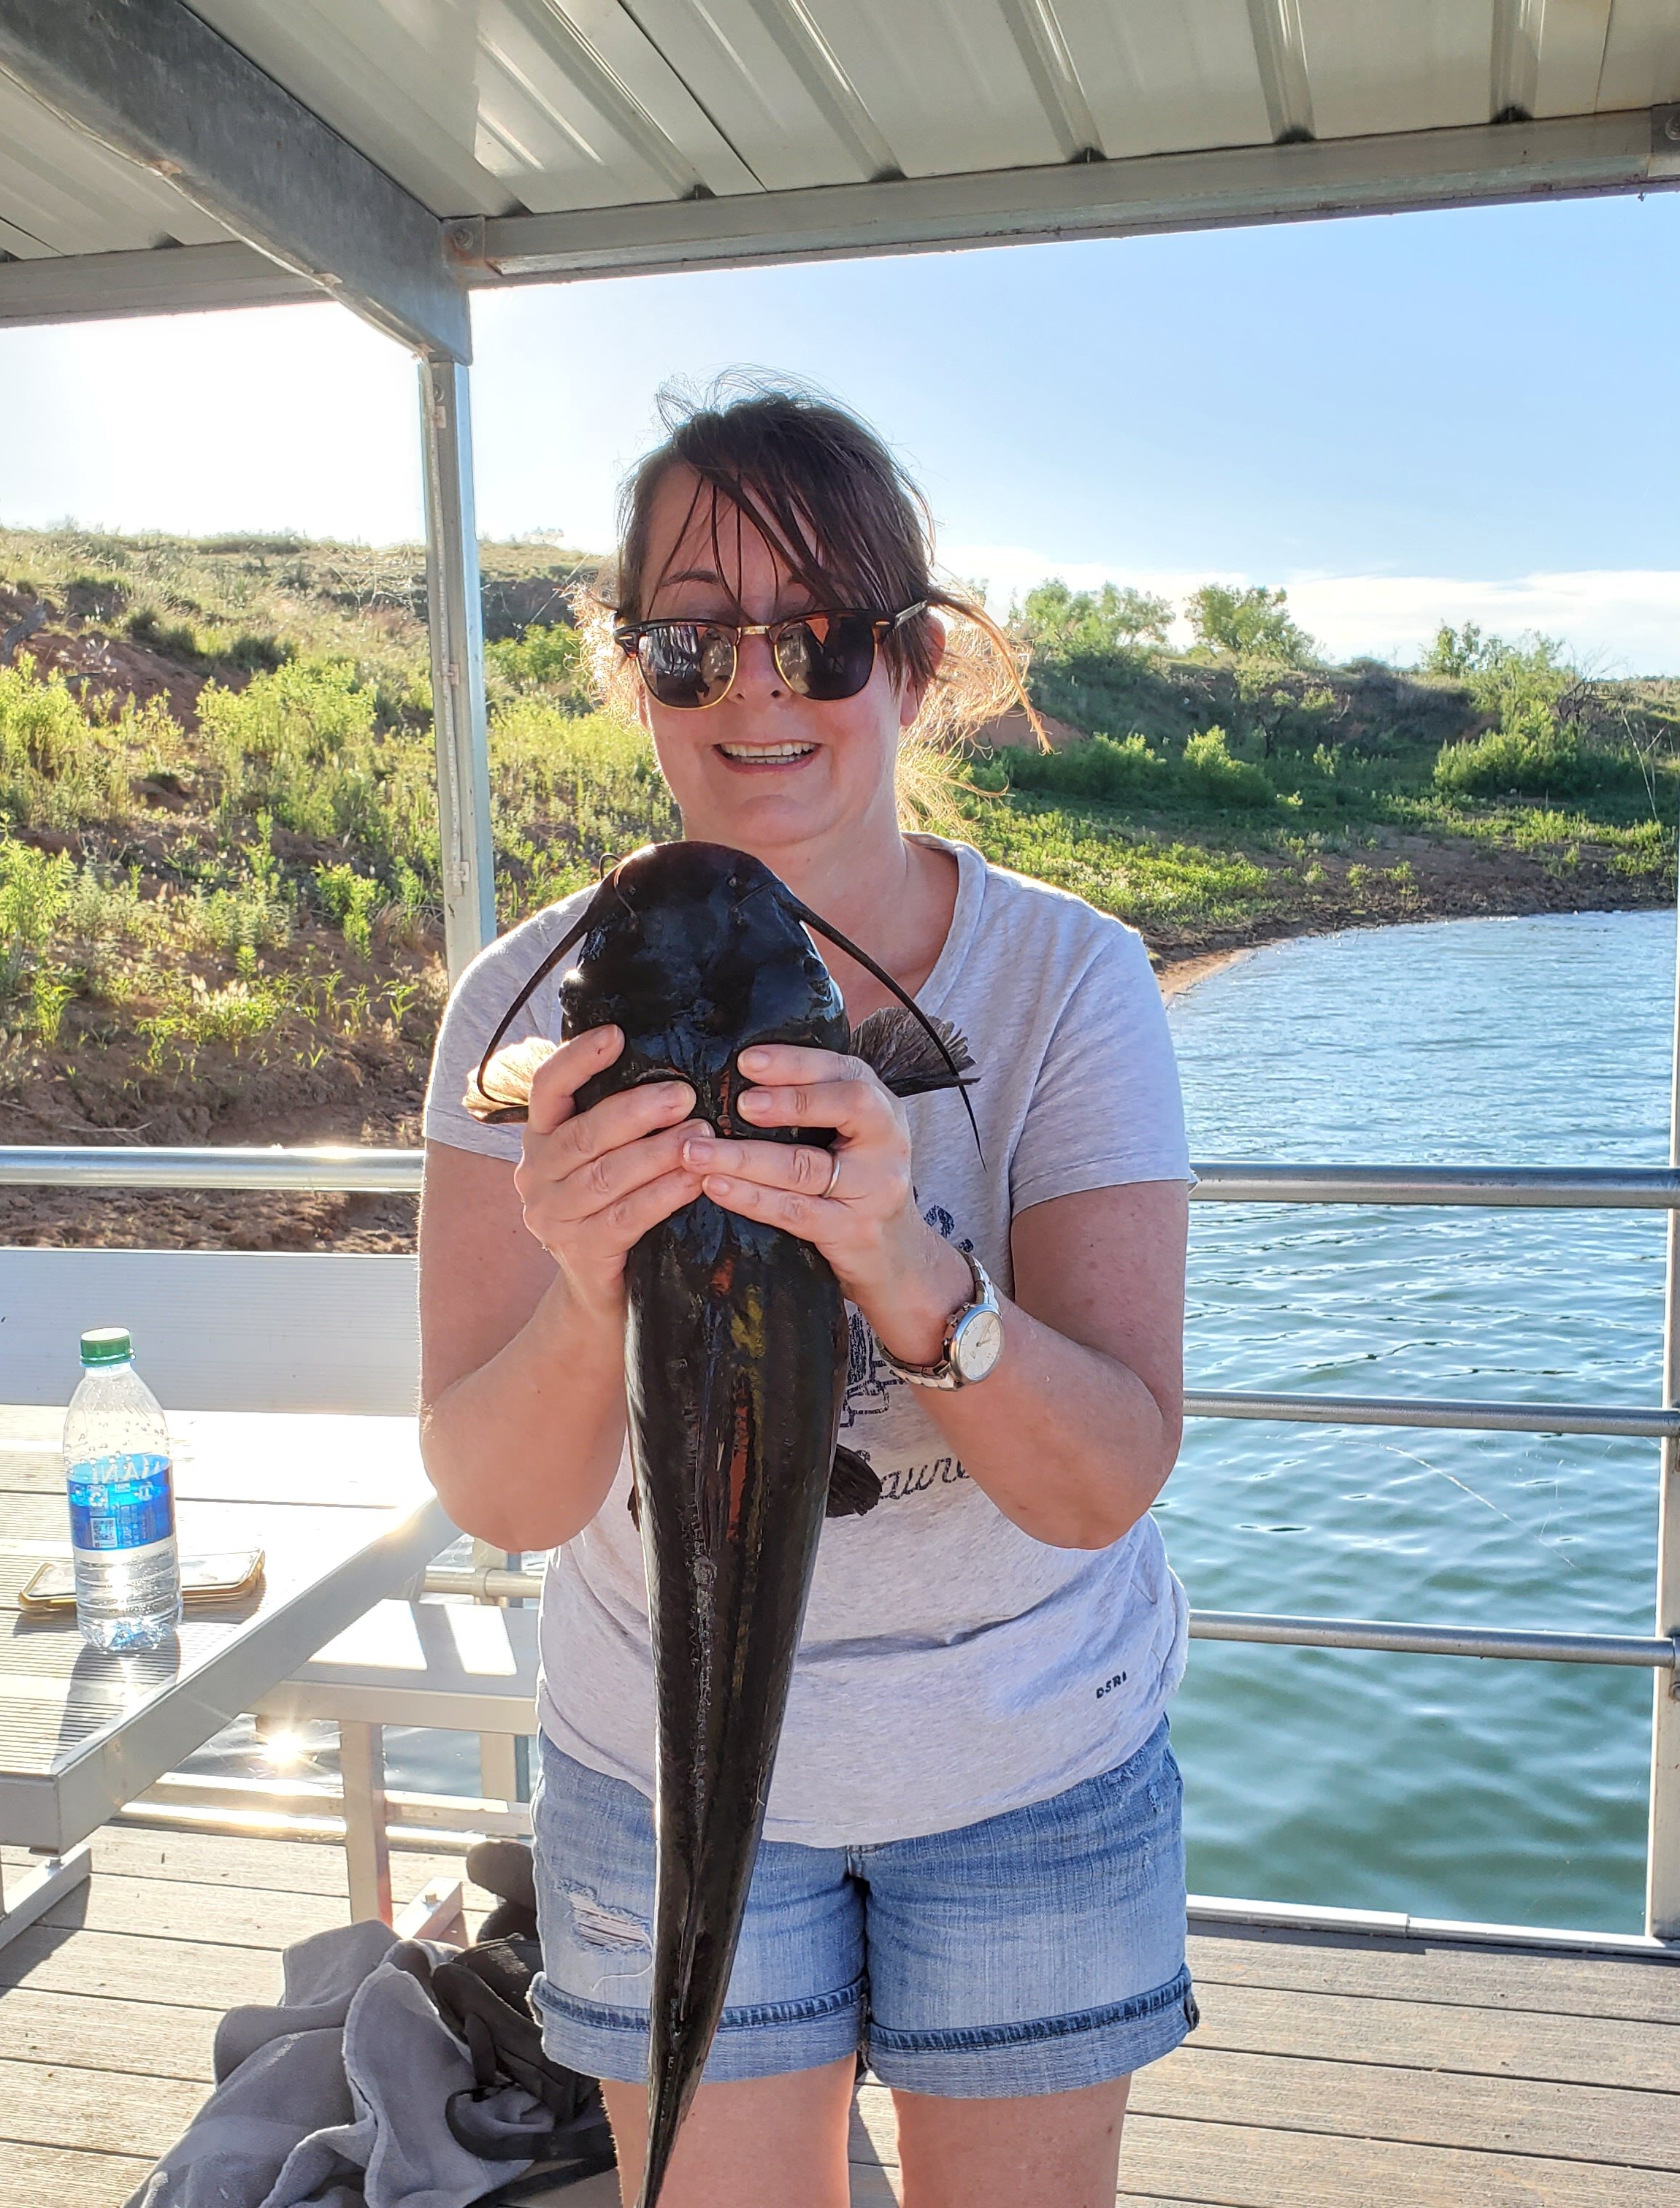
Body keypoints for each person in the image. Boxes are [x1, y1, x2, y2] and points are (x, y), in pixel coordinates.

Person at [416, 377, 1197, 2208]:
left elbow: (1098, 1483)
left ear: (911, 667)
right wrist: (584, 1271)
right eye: (691, 645)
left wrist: (898, 1258)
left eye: (818, 638)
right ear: (631, 674)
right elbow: (500, 1495)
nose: (756, 692)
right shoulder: (516, 1014)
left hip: (1026, 1755)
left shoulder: (1072, 988)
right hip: (659, 1772)